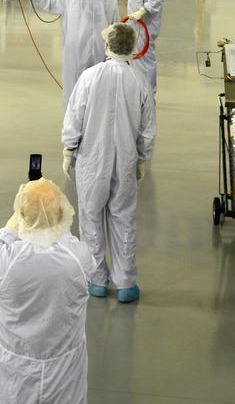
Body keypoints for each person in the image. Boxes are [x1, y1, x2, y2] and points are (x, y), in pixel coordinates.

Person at [62, 20, 156, 303]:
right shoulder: (139, 80)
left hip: (92, 159)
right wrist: (142, 158)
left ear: (107, 45)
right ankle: (126, 283)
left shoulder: (90, 77)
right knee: (123, 217)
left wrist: (69, 149)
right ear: (132, 48)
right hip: (125, 160)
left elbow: (74, 116)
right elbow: (148, 128)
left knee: (90, 217)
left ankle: (96, 280)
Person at [0, 178, 92, 404]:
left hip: (17, 373)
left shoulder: (5, 262)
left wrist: (9, 231)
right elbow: (78, 253)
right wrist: (55, 226)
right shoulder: (77, 258)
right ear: (61, 214)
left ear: (21, 216)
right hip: (65, 371)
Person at [20, 0, 119, 108]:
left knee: (74, 95)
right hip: (102, 53)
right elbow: (115, 28)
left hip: (75, 52)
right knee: (97, 97)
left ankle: (72, 130)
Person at [126, 0, 164, 94]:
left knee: (145, 59)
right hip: (137, 24)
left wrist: (141, 11)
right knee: (137, 58)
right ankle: (139, 90)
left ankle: (149, 93)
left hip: (145, 25)